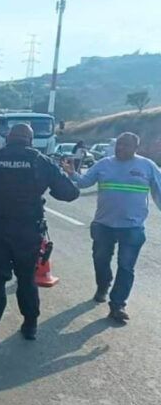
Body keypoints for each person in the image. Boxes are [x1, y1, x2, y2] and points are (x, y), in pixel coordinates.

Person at [0, 124, 79, 346]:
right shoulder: (40, 161)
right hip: (27, 230)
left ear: (8, 138)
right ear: (30, 140)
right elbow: (69, 193)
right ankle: (30, 326)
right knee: (26, 278)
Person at [63, 132, 161, 323]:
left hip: (132, 227)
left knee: (126, 267)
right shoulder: (104, 164)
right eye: (119, 144)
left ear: (136, 148)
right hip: (103, 224)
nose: (120, 148)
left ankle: (118, 305)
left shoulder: (147, 166)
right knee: (100, 259)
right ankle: (103, 284)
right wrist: (72, 173)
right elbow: (84, 183)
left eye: (126, 145)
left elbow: (159, 191)